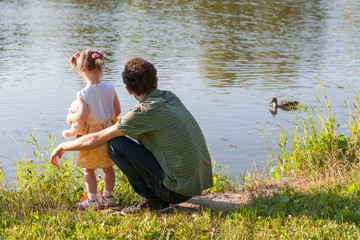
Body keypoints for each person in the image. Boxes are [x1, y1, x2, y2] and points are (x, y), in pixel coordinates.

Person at [51, 57, 213, 214]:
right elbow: (143, 117)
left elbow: (95, 139)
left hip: (176, 191)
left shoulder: (142, 113)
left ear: (128, 90)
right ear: (156, 81)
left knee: (115, 144)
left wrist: (63, 145)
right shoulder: (169, 97)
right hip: (196, 182)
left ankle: (153, 200)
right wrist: (123, 120)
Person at [55, 49, 121, 209]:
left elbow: (83, 116)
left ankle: (92, 200)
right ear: (101, 69)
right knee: (107, 167)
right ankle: (108, 197)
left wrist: (72, 117)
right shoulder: (110, 88)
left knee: (88, 169)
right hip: (108, 131)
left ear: (80, 71)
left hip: (90, 134)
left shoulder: (83, 94)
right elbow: (117, 112)